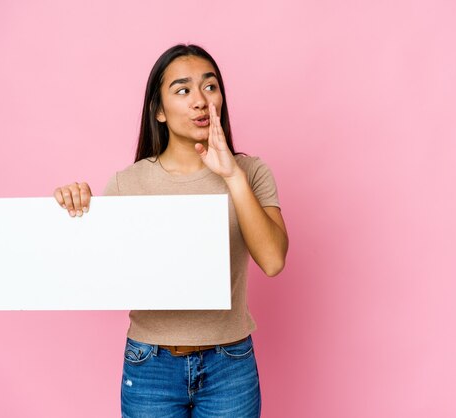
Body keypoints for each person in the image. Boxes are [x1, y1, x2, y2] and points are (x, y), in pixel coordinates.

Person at [53, 44, 288, 417]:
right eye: (183, 90)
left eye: (210, 87)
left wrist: (231, 175)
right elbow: (96, 270)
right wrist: (74, 207)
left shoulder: (251, 172)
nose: (200, 100)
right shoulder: (127, 183)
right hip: (151, 365)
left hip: (229, 361)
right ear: (159, 110)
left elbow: (273, 260)